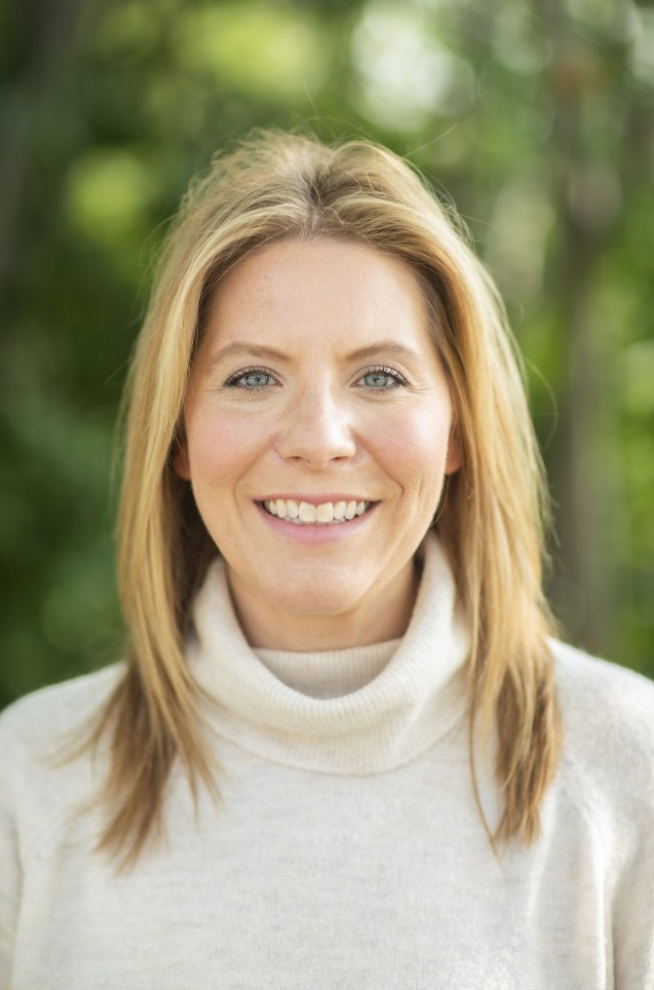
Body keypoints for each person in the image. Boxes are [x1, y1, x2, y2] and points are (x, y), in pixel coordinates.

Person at [0, 128, 653, 990]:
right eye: (251, 378)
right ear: (180, 434)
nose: (318, 440)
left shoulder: (627, 764)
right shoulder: (28, 780)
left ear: (456, 428)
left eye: (379, 377)